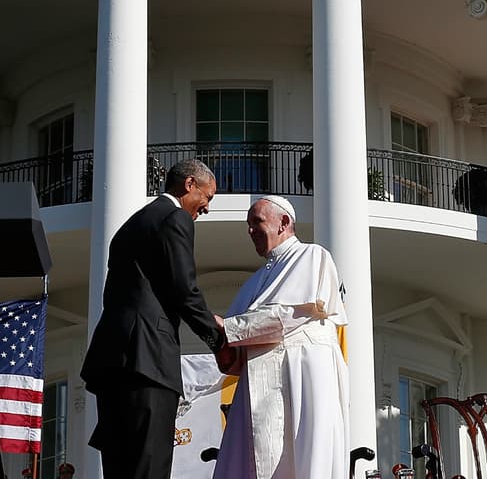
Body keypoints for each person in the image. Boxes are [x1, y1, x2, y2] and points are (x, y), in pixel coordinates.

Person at [81, 159, 226, 479]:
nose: (206, 208)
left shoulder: (131, 225)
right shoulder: (175, 218)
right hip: (147, 361)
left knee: (120, 467)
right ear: (189, 185)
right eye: (208, 197)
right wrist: (218, 339)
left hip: (112, 361)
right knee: (149, 466)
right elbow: (184, 289)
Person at [212, 195, 350, 479]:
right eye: (248, 225)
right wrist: (223, 347)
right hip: (257, 380)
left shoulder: (312, 255)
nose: (250, 231)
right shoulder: (252, 282)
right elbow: (236, 351)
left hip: (302, 372)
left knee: (305, 456)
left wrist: (228, 328)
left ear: (283, 222)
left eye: (257, 222)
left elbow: (290, 314)